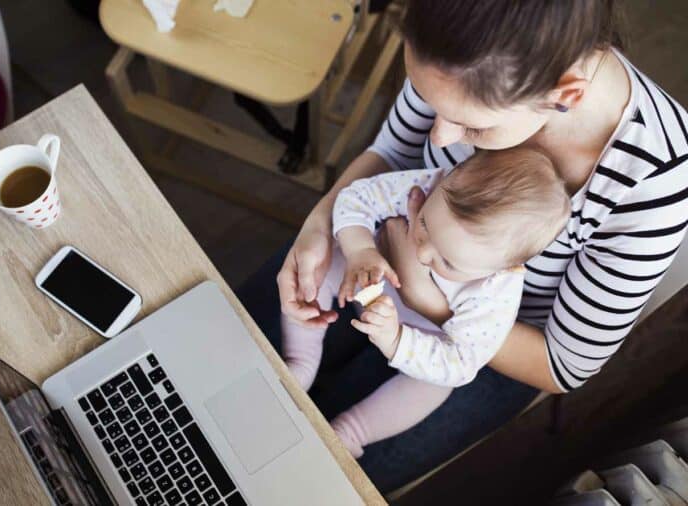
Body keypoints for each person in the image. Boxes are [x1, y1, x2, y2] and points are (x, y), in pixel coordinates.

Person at [237, 0, 688, 493]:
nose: (442, 136)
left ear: (565, 93)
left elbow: (564, 364)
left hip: (490, 343)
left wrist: (423, 296)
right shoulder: (461, 41)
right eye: (435, 107)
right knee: (235, 368)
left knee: (306, 480)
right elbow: (392, 152)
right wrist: (320, 224)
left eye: (473, 126)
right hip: (376, 243)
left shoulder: (656, 179)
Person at [281, 148, 570, 458]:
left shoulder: (497, 291)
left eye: (447, 261)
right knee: (321, 267)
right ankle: (300, 361)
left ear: (504, 268)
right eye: (425, 226)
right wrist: (360, 249)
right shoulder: (432, 184)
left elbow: (461, 361)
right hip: (367, 275)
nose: (421, 254)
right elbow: (357, 198)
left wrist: (397, 340)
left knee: (436, 385)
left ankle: (351, 432)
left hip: (423, 334)